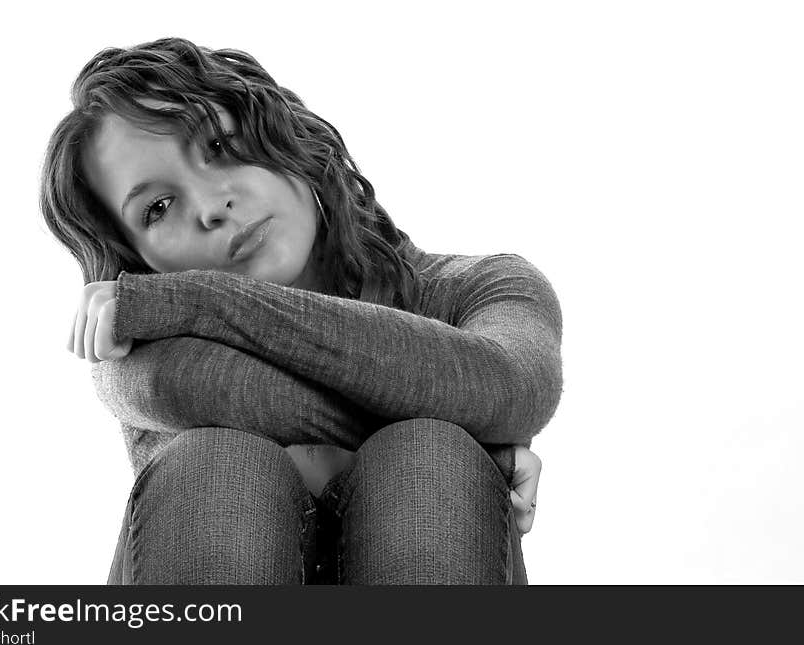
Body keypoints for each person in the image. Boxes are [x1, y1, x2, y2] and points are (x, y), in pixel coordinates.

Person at [40, 37, 563, 585]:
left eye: (219, 145)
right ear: (135, 259)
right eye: (158, 208)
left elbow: (512, 382)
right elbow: (166, 387)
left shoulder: (486, 288)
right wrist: (474, 425)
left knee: (429, 460)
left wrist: (195, 299)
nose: (211, 206)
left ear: (283, 133)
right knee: (216, 468)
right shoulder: (142, 358)